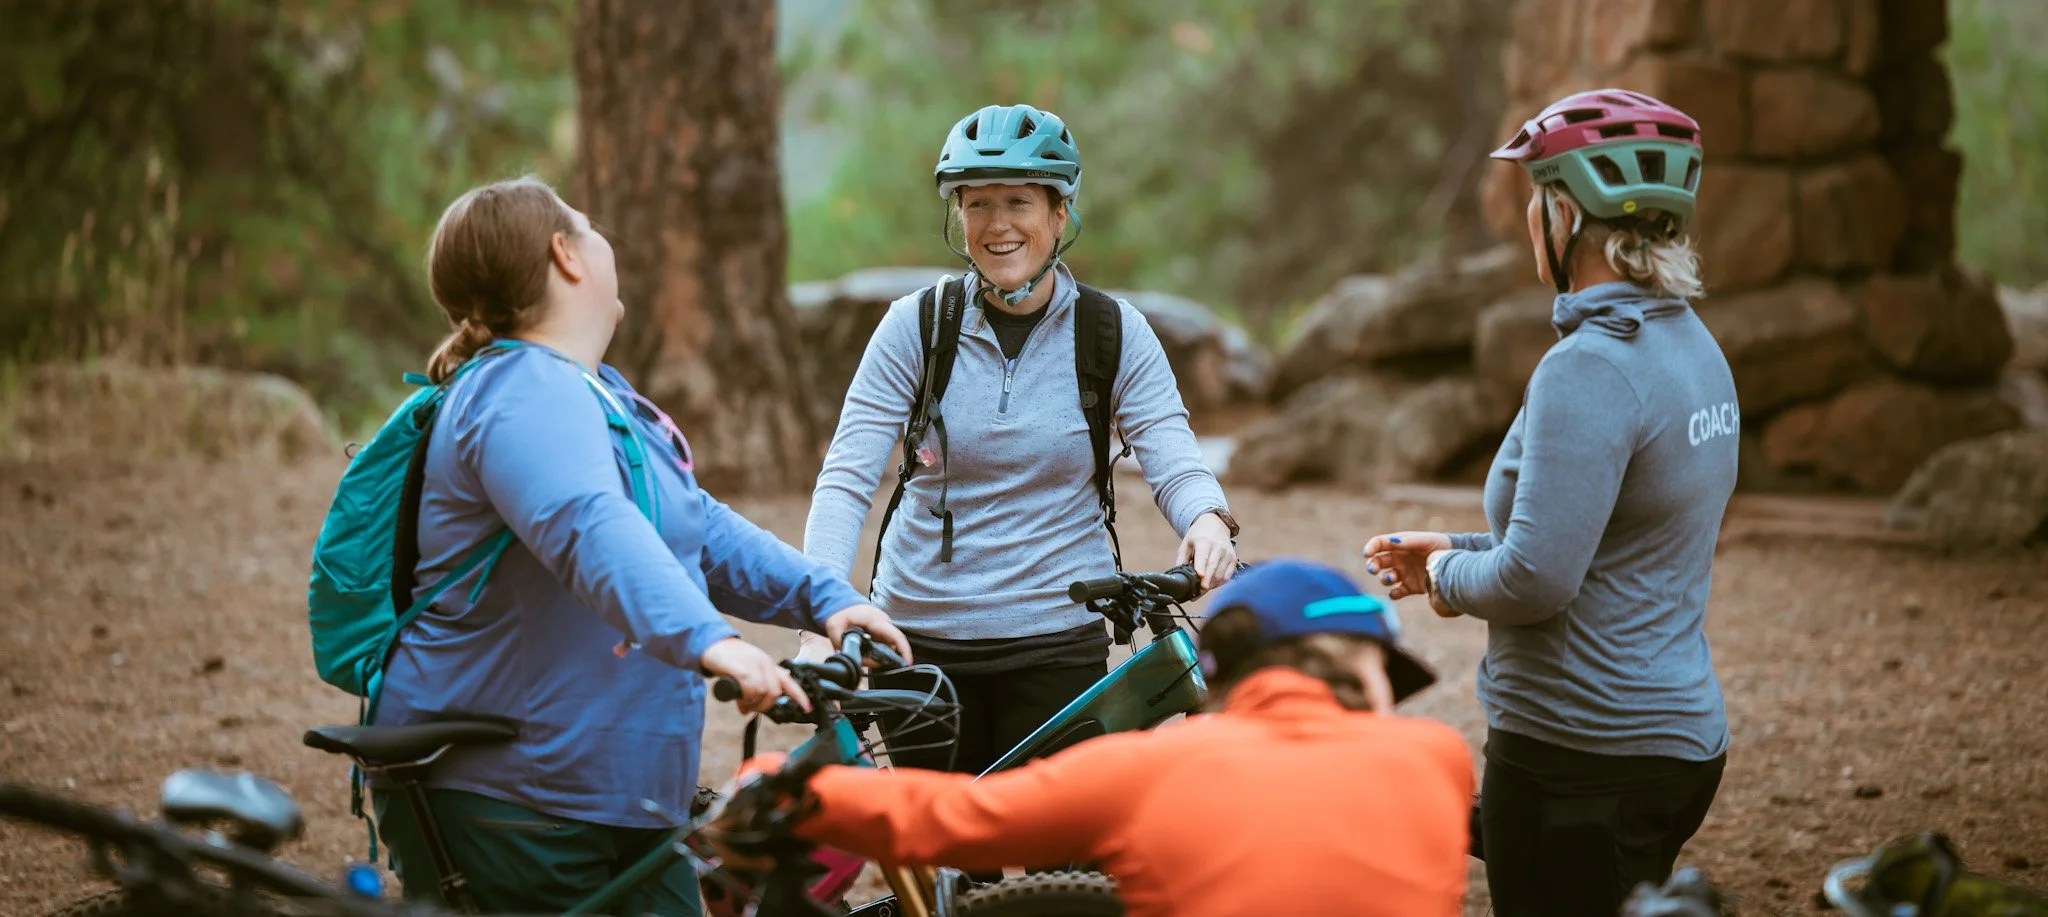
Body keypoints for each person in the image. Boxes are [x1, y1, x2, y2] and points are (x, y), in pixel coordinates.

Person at [370, 176, 910, 916]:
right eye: (589, 226)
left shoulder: (603, 395)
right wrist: (711, 642)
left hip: (621, 798)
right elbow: (588, 526)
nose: (605, 241)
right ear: (565, 255)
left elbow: (699, 528)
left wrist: (824, 598)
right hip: (518, 799)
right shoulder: (518, 389)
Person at [1363, 88, 1739, 917]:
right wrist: (1457, 546)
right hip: (1673, 740)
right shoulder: (1690, 345)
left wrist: (1446, 577)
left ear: (1564, 215)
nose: (1531, 217)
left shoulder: (1589, 366)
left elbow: (1537, 579)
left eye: (1538, 197)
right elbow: (1613, 535)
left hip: (1580, 756)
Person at [799, 103, 1240, 776]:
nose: (997, 224)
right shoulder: (916, 326)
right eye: (977, 203)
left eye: (1018, 202)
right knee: (942, 842)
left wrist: (1206, 518)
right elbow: (846, 477)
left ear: (1060, 214)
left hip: (1056, 638)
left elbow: (1169, 449)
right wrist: (823, 612)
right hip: (918, 641)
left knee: (1057, 840)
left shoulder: (1111, 331)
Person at [716, 560, 1472, 917]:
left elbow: (957, 817)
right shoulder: (1437, 757)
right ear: (1354, 667)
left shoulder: (1150, 768)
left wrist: (790, 784)